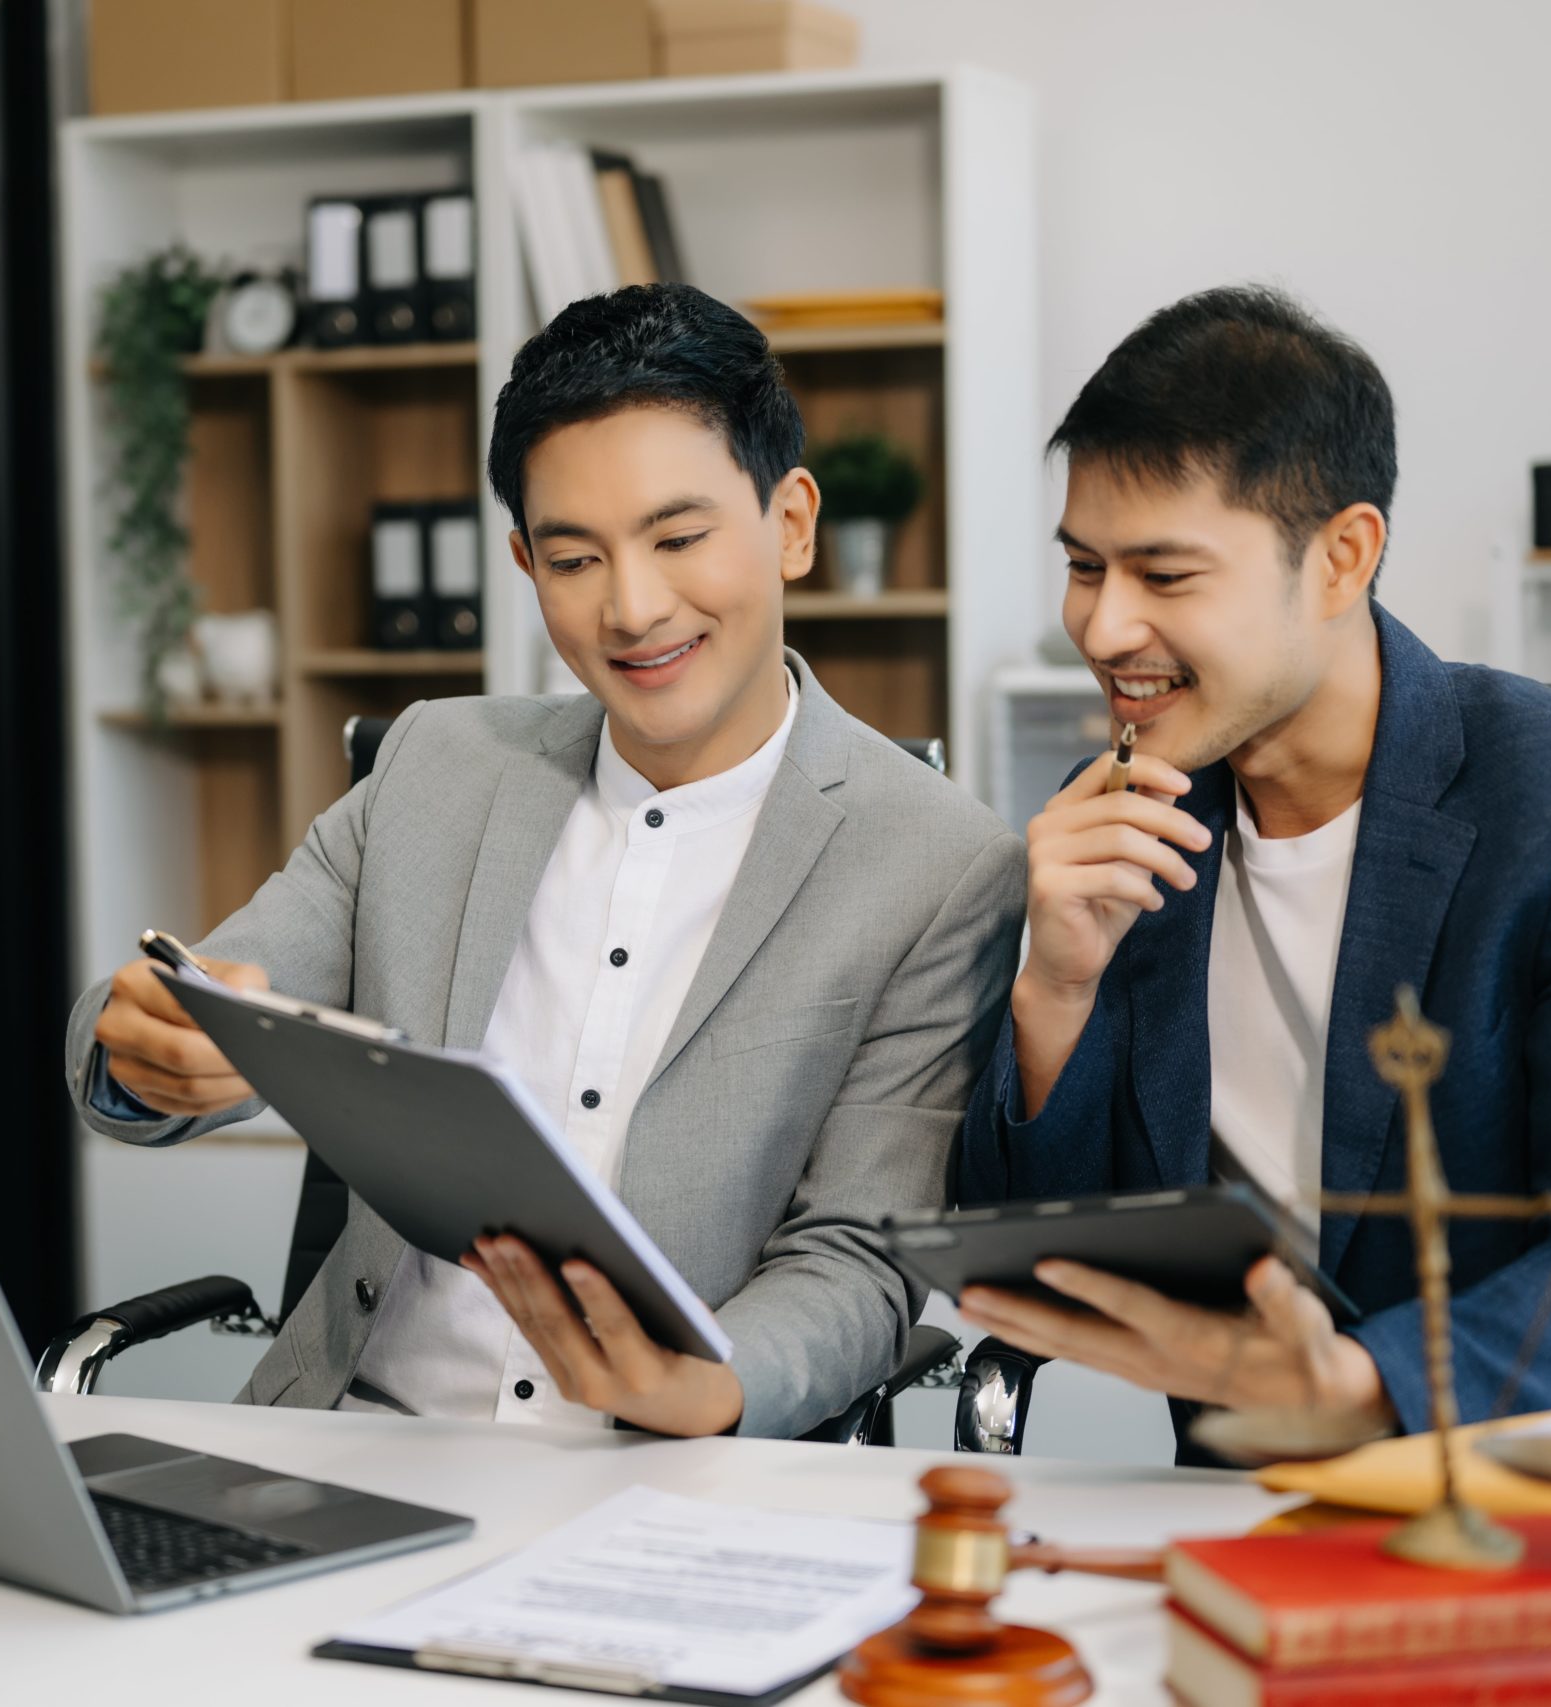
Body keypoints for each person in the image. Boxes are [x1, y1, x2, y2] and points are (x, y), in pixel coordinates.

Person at [66, 284, 1024, 1440]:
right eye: (575, 559)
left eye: (679, 539)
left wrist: (702, 1386)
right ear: (525, 563)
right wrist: (152, 1047)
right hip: (360, 1446)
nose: (633, 607)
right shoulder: (433, 766)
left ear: (791, 524)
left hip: (675, 1478)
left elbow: (859, 1258)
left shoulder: (942, 862)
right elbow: (201, 997)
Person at [951, 285, 1551, 1457]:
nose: (1100, 629)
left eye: (1164, 575)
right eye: (1084, 568)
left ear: (1343, 558)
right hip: (1262, 1518)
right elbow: (1034, 1283)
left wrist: (1359, 1390)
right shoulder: (1116, 826)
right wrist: (1053, 989)